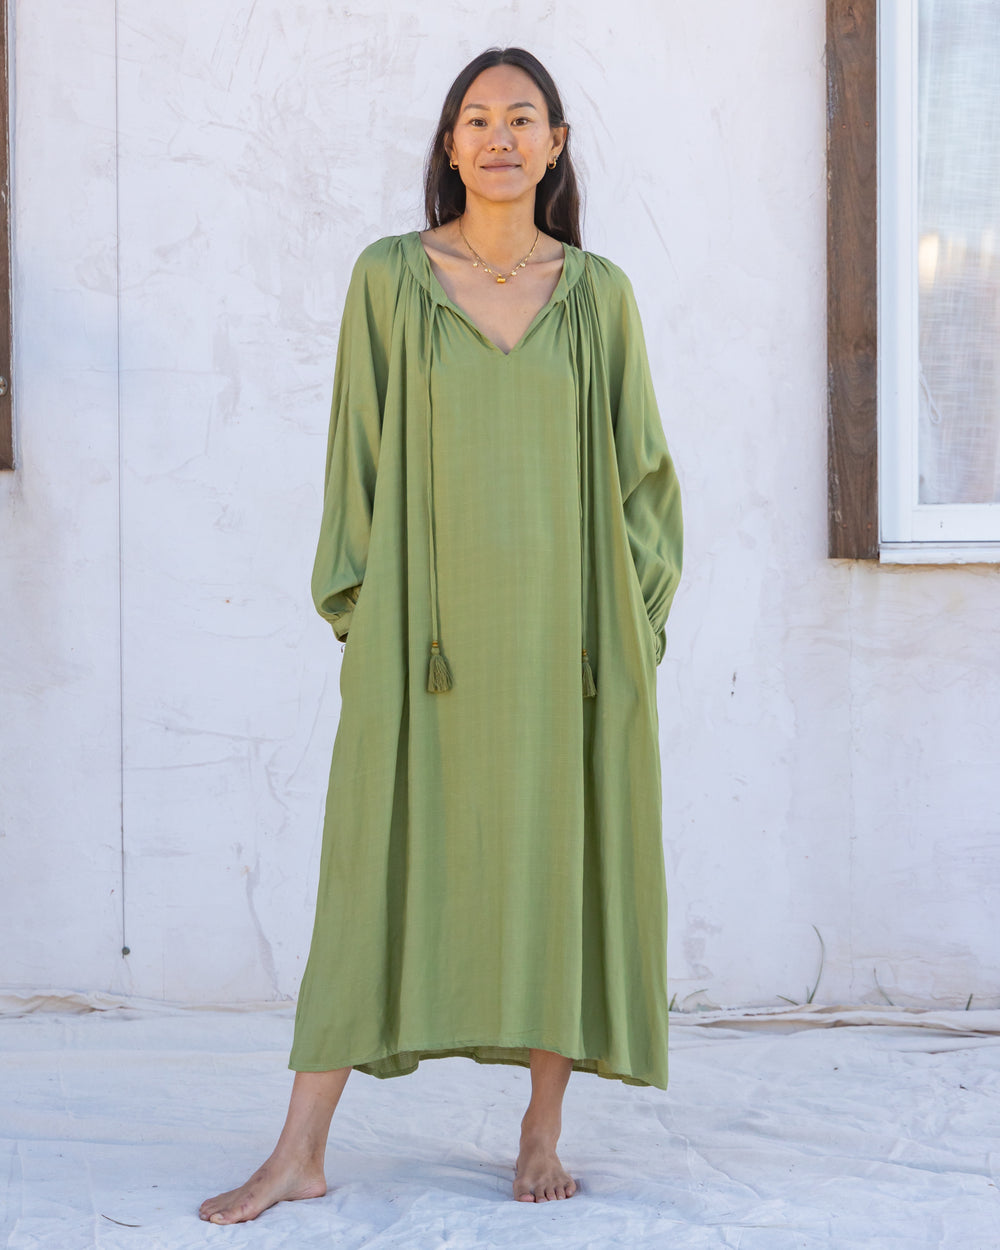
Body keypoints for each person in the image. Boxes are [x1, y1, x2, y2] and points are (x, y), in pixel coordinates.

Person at [200, 45, 683, 1224]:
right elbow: (355, 460)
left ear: (556, 146)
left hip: (565, 641)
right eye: (477, 118)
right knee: (374, 865)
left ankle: (540, 1126)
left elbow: (642, 481)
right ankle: (301, 1146)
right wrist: (364, 615)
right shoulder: (390, 278)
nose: (500, 137)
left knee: (556, 864)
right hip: (424, 639)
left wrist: (631, 625)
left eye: (523, 118)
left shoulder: (599, 292)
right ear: (450, 145)